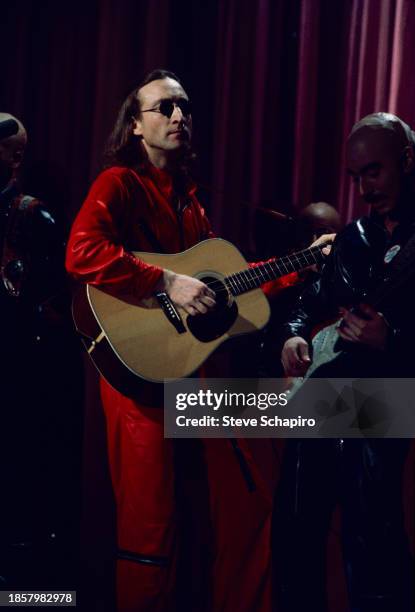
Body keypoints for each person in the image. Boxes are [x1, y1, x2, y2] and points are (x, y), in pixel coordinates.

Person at [67, 69, 325, 612]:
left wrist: (302, 264)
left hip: (181, 372)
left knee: (197, 514)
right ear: (135, 124)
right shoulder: (118, 182)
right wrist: (164, 281)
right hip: (135, 375)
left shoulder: (191, 201)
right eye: (164, 107)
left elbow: (225, 282)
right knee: (149, 526)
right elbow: (82, 253)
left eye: (184, 106)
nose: (180, 116)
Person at [272, 112, 415, 611]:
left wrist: (391, 339)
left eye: (372, 173)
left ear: (408, 161)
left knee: (369, 531)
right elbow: (309, 301)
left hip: (393, 396)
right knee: (294, 526)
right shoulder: (352, 237)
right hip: (330, 395)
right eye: (356, 178)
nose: (364, 189)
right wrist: (292, 338)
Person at [0, 113, 75, 586]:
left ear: (15, 155)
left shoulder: (34, 216)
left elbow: (60, 297)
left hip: (19, 371)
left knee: (20, 490)